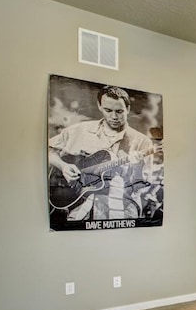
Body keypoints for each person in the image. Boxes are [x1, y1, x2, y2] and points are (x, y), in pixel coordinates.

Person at [48, 85, 157, 222]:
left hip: (121, 208)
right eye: (108, 110)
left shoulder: (142, 142)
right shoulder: (79, 130)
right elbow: (48, 150)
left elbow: (143, 185)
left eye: (119, 111)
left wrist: (135, 169)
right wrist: (63, 166)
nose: (114, 116)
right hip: (79, 205)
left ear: (128, 109)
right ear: (99, 106)